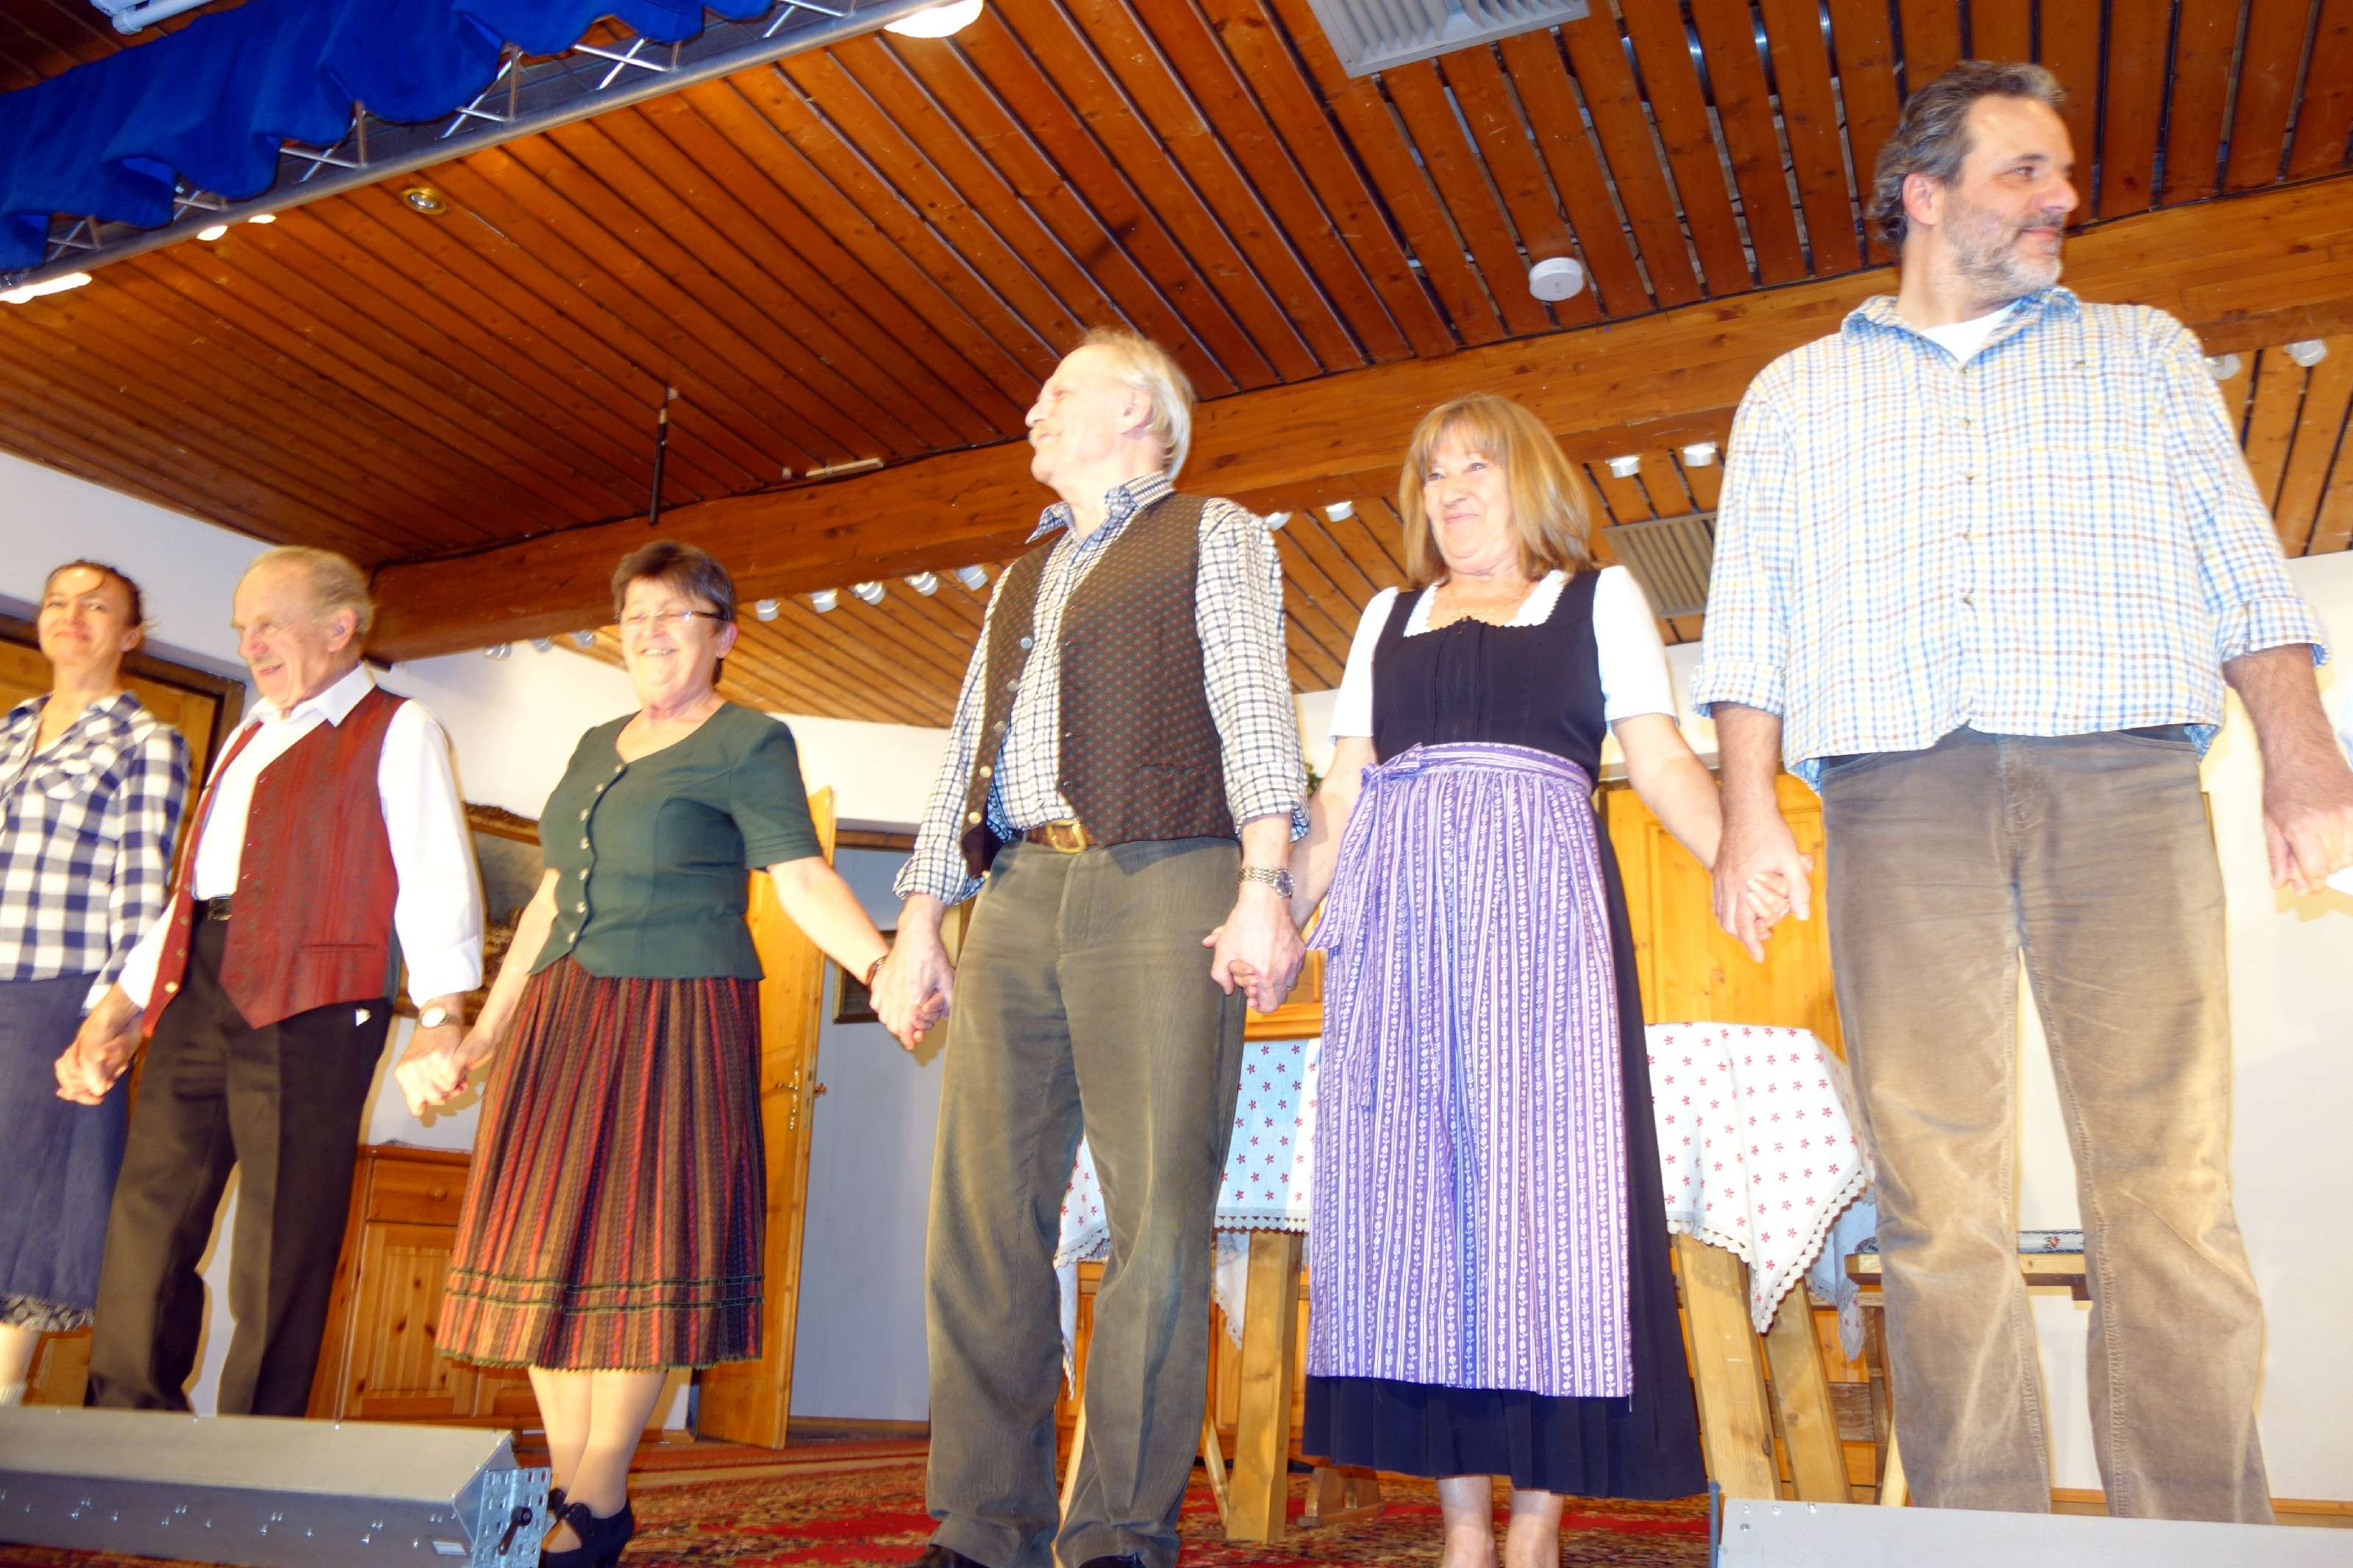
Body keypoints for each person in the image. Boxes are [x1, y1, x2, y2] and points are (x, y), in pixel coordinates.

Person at [1696, 60, 2353, 1522]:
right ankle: (1976, 1534)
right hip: (1893, 795)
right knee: (1934, 1203)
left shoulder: (2142, 350)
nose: (2062, 197)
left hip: (2120, 777)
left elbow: (2242, 567)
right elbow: (1748, 621)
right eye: (2024, 171)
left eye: (2062, 173)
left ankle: (2198, 1542)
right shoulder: (1796, 391)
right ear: (1923, 196)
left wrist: (2304, 753)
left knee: (2166, 1185)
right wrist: (1746, 810)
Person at [875, 327, 1307, 1568]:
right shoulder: (1023, 573)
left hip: (1166, 873)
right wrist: (921, 921)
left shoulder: (1213, 531)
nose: (1033, 411)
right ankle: (983, 1525)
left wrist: (1265, 882)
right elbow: (964, 752)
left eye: (1059, 392)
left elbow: (1254, 710)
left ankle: (1118, 1530)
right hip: (1015, 888)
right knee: (981, 1216)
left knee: (1156, 1214)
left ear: (1139, 411)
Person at [396, 541, 901, 1568]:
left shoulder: (750, 741)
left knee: (638, 1248)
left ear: (723, 636)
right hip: (560, 1015)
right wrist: (485, 1033)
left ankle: (598, 1489)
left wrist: (881, 965)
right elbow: (549, 900)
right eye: (634, 617)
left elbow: (800, 877)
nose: (650, 634)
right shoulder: (594, 744)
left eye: (676, 615)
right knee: (545, 1247)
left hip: (674, 1010)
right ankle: (573, 1485)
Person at [1288, 395, 1710, 1568]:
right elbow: (1341, 791)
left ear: (1532, 481)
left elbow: (1660, 757)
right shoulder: (1385, 617)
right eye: (1434, 474)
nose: (1454, 489)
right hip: (1403, 928)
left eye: (1479, 465)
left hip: (1541, 930)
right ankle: (1463, 1530)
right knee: (1415, 1203)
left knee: (1546, 1203)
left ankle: (1536, 1528)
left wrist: (1738, 851)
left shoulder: (1597, 599)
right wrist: (1277, 905)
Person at [61, 546, 484, 1418]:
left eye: (268, 625)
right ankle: (126, 1427)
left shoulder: (399, 728)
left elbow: (435, 876)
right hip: (199, 983)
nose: (249, 645)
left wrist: (444, 1014)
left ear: (339, 627)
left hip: (318, 1000)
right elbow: (192, 894)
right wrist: (117, 1010)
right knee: (149, 1213)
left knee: (281, 1237)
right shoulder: (248, 734)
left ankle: (256, 1443)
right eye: (242, 629)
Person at [0, 563, 188, 1406]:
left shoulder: (147, 743)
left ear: (131, 635)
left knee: (23, 1218)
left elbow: (142, 893)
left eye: (97, 605)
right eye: (57, 602)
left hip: (54, 1002)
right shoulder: (9, 731)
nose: (71, 616)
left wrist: (114, 1018)